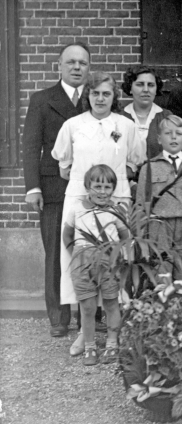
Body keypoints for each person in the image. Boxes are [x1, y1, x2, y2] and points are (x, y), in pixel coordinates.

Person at [52, 71, 146, 355]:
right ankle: (85, 332)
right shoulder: (72, 125)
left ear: (114, 96)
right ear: (88, 96)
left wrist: (112, 186)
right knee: (80, 264)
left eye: (106, 93)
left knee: (116, 262)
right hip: (81, 200)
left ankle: (115, 333)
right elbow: (64, 165)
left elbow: (135, 163)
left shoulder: (125, 125)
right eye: (95, 93)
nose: (101, 98)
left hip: (115, 201)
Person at [23, 41, 90, 338]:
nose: (77, 67)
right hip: (53, 187)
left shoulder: (96, 98)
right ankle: (58, 317)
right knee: (56, 252)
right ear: (59, 66)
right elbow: (30, 146)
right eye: (71, 62)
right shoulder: (42, 99)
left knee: (92, 249)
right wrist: (33, 187)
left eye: (83, 63)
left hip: (91, 188)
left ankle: (92, 315)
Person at [62, 165, 129, 366]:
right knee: (88, 307)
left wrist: (121, 257)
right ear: (87, 187)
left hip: (109, 262)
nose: (102, 191)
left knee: (111, 303)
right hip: (83, 263)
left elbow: (126, 236)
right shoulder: (77, 208)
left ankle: (112, 344)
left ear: (113, 189)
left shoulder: (115, 211)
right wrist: (77, 254)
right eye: (97, 186)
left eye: (107, 187)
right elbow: (67, 234)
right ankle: (90, 346)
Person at [135, 115, 182, 282]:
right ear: (159, 139)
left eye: (178, 133)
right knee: (161, 269)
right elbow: (141, 204)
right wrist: (143, 240)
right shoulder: (149, 168)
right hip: (159, 225)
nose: (173, 137)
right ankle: (163, 306)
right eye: (168, 133)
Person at [121, 65, 172, 159]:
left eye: (151, 85)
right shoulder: (119, 116)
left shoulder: (166, 117)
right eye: (140, 84)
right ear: (130, 88)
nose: (145, 90)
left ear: (156, 89)